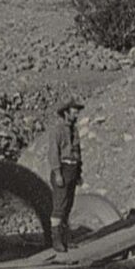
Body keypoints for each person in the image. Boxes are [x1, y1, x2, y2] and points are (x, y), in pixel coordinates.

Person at [48, 98, 84, 251]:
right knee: (59, 207)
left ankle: (65, 239)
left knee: (68, 206)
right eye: (74, 111)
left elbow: (77, 152)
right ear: (66, 113)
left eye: (77, 112)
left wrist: (79, 173)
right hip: (62, 169)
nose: (76, 114)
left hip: (72, 170)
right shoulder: (58, 130)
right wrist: (57, 173)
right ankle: (56, 241)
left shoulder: (74, 130)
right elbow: (53, 153)